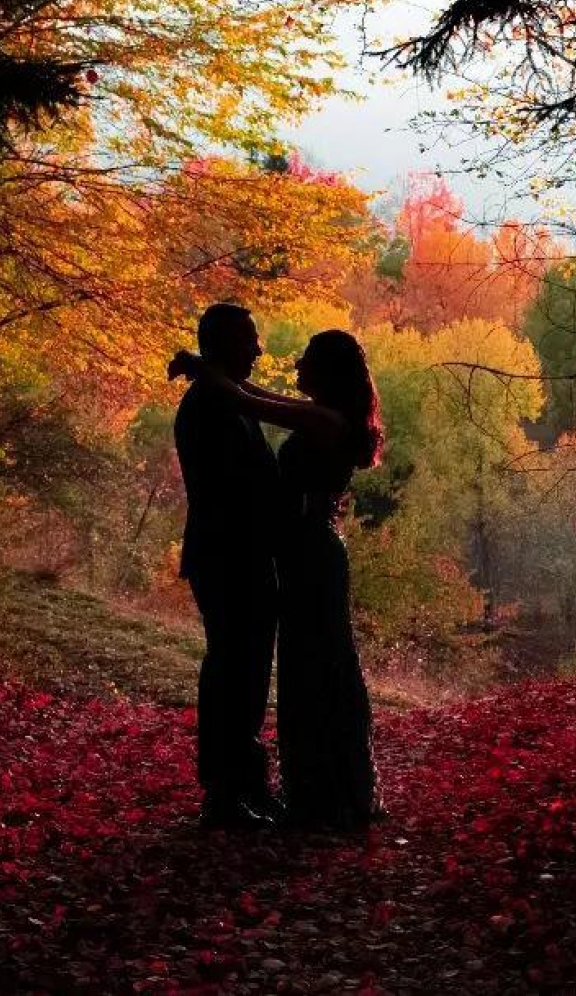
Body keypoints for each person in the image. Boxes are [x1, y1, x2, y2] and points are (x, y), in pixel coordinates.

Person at [170, 329, 385, 833]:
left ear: (328, 371)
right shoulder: (323, 414)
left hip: (311, 556)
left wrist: (203, 368)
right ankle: (321, 789)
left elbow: (250, 400)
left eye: (307, 359)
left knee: (316, 665)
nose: (295, 363)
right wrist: (210, 367)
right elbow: (263, 398)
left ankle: (325, 794)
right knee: (311, 664)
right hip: (307, 554)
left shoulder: (322, 419)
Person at [173, 303, 282, 831]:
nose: (259, 351)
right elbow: (236, 487)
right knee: (232, 671)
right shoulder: (209, 406)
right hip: (225, 553)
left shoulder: (228, 400)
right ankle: (225, 792)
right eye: (250, 340)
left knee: (249, 670)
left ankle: (245, 783)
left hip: (241, 553)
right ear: (223, 345)